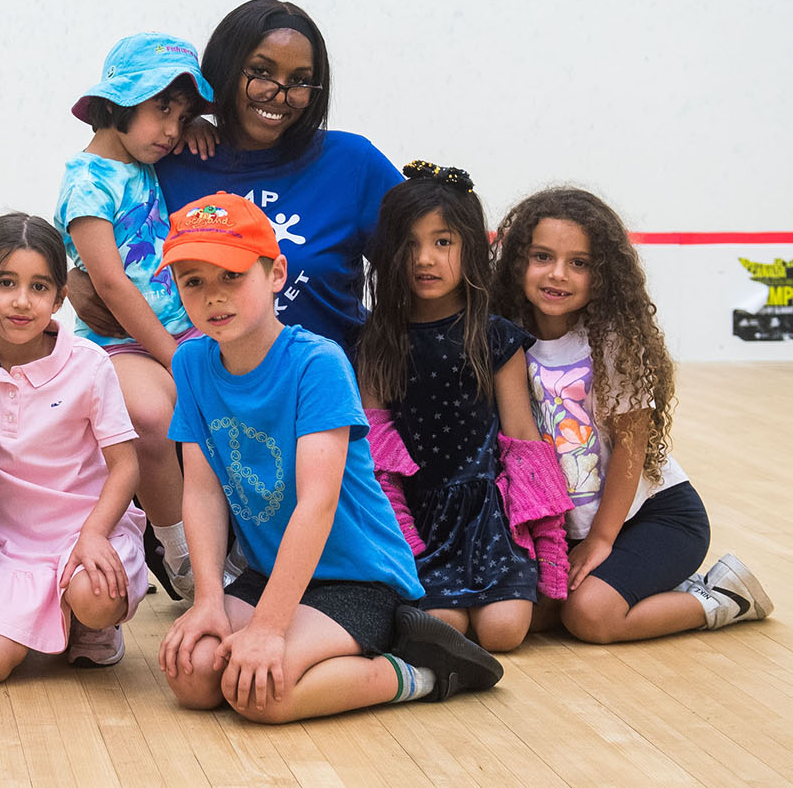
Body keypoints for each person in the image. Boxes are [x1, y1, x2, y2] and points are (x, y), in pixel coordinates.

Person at [157, 192, 503, 723]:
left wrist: (269, 629)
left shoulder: (317, 363)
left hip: (357, 577)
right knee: (195, 677)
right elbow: (202, 491)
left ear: (276, 273)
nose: (213, 297)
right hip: (275, 573)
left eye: (231, 276)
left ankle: (422, 671)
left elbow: (316, 504)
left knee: (262, 697)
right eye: (193, 281)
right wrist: (207, 599)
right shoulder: (190, 363)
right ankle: (296, 637)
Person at [494, 187, 773, 641]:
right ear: (518, 262)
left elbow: (631, 445)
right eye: (543, 256)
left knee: (590, 616)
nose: (558, 274)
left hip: (656, 518)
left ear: (603, 274)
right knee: (530, 618)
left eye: (579, 263)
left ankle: (720, 597)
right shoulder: (505, 338)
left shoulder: (613, 343)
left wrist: (601, 540)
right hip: (570, 530)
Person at [73, 0, 402, 351]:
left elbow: (434, 260)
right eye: (261, 72)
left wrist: (385, 376)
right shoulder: (165, 159)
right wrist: (75, 278)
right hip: (203, 398)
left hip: (324, 396)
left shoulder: (351, 164)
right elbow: (96, 215)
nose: (279, 93)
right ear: (227, 68)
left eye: (300, 80)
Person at [354, 163, 551, 653]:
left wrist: (545, 537)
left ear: (469, 248)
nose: (425, 258)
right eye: (411, 244)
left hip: (489, 517)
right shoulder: (378, 339)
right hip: (419, 522)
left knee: (503, 633)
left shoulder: (494, 336)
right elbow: (376, 450)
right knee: (442, 626)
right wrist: (397, 536)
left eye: (443, 242)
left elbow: (523, 440)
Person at [0, 213, 146, 681]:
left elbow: (126, 467)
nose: (21, 301)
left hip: (91, 533)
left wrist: (94, 534)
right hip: (12, 551)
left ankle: (91, 624)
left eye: (39, 287)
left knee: (96, 600)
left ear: (60, 297)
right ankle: (52, 614)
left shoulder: (89, 364)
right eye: (7, 283)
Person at [56, 32, 214, 600]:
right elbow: (110, 284)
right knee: (150, 415)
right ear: (117, 104)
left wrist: (191, 125)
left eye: (184, 113)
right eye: (162, 109)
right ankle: (181, 557)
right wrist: (175, 357)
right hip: (120, 344)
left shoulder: (147, 158)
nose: (173, 129)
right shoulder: (87, 181)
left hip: (187, 334)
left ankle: (240, 545)